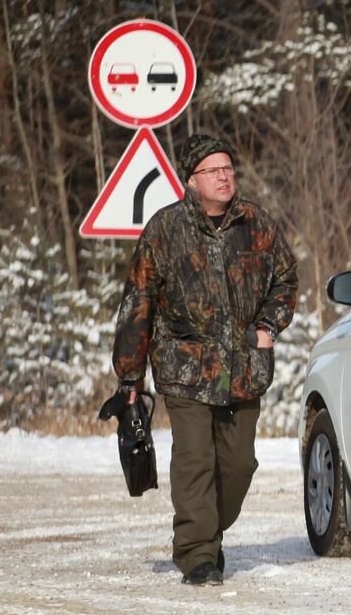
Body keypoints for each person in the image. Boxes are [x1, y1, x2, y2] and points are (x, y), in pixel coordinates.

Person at [112, 133, 297, 586]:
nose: (224, 176)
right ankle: (197, 554)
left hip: (243, 369)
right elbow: (139, 301)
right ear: (191, 181)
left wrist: (267, 328)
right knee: (195, 460)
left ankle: (209, 530)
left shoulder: (257, 224)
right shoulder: (164, 229)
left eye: (228, 169)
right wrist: (129, 375)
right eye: (213, 170)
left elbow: (286, 279)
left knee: (237, 465)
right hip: (185, 369)